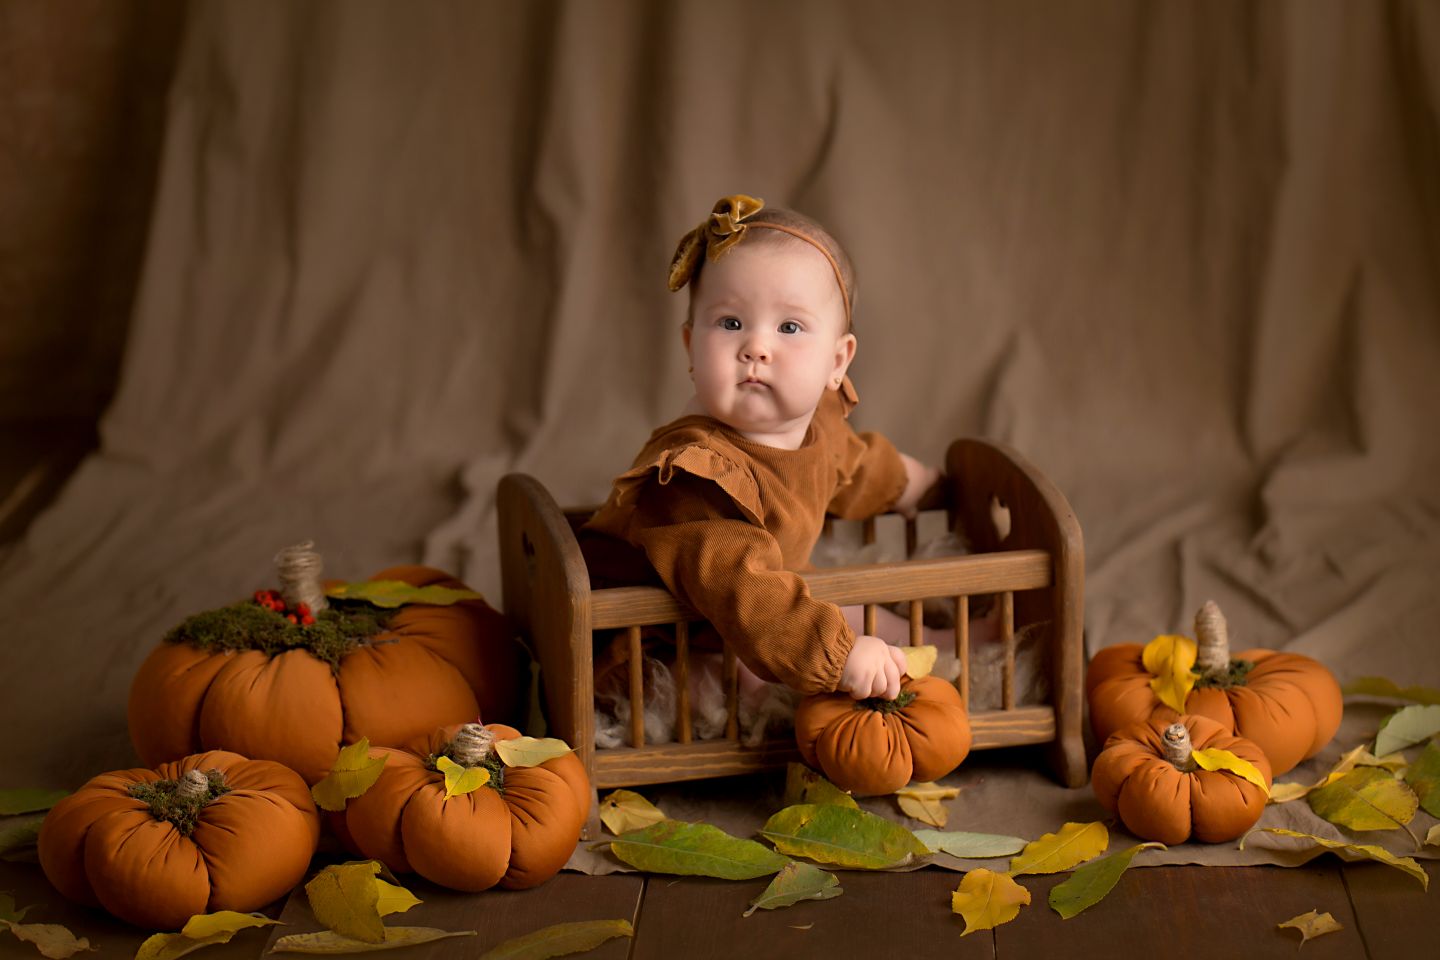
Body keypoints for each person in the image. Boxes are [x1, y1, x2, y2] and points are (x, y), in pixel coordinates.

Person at [579, 194, 942, 704]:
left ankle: (948, 648)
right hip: (653, 646)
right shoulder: (694, 476)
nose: (755, 347)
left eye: (789, 327)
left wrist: (919, 486)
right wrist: (836, 657)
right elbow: (744, 590)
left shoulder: (818, 425)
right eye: (730, 323)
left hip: (747, 613)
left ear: (837, 361)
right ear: (690, 346)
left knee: (855, 610)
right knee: (753, 681)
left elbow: (856, 466)